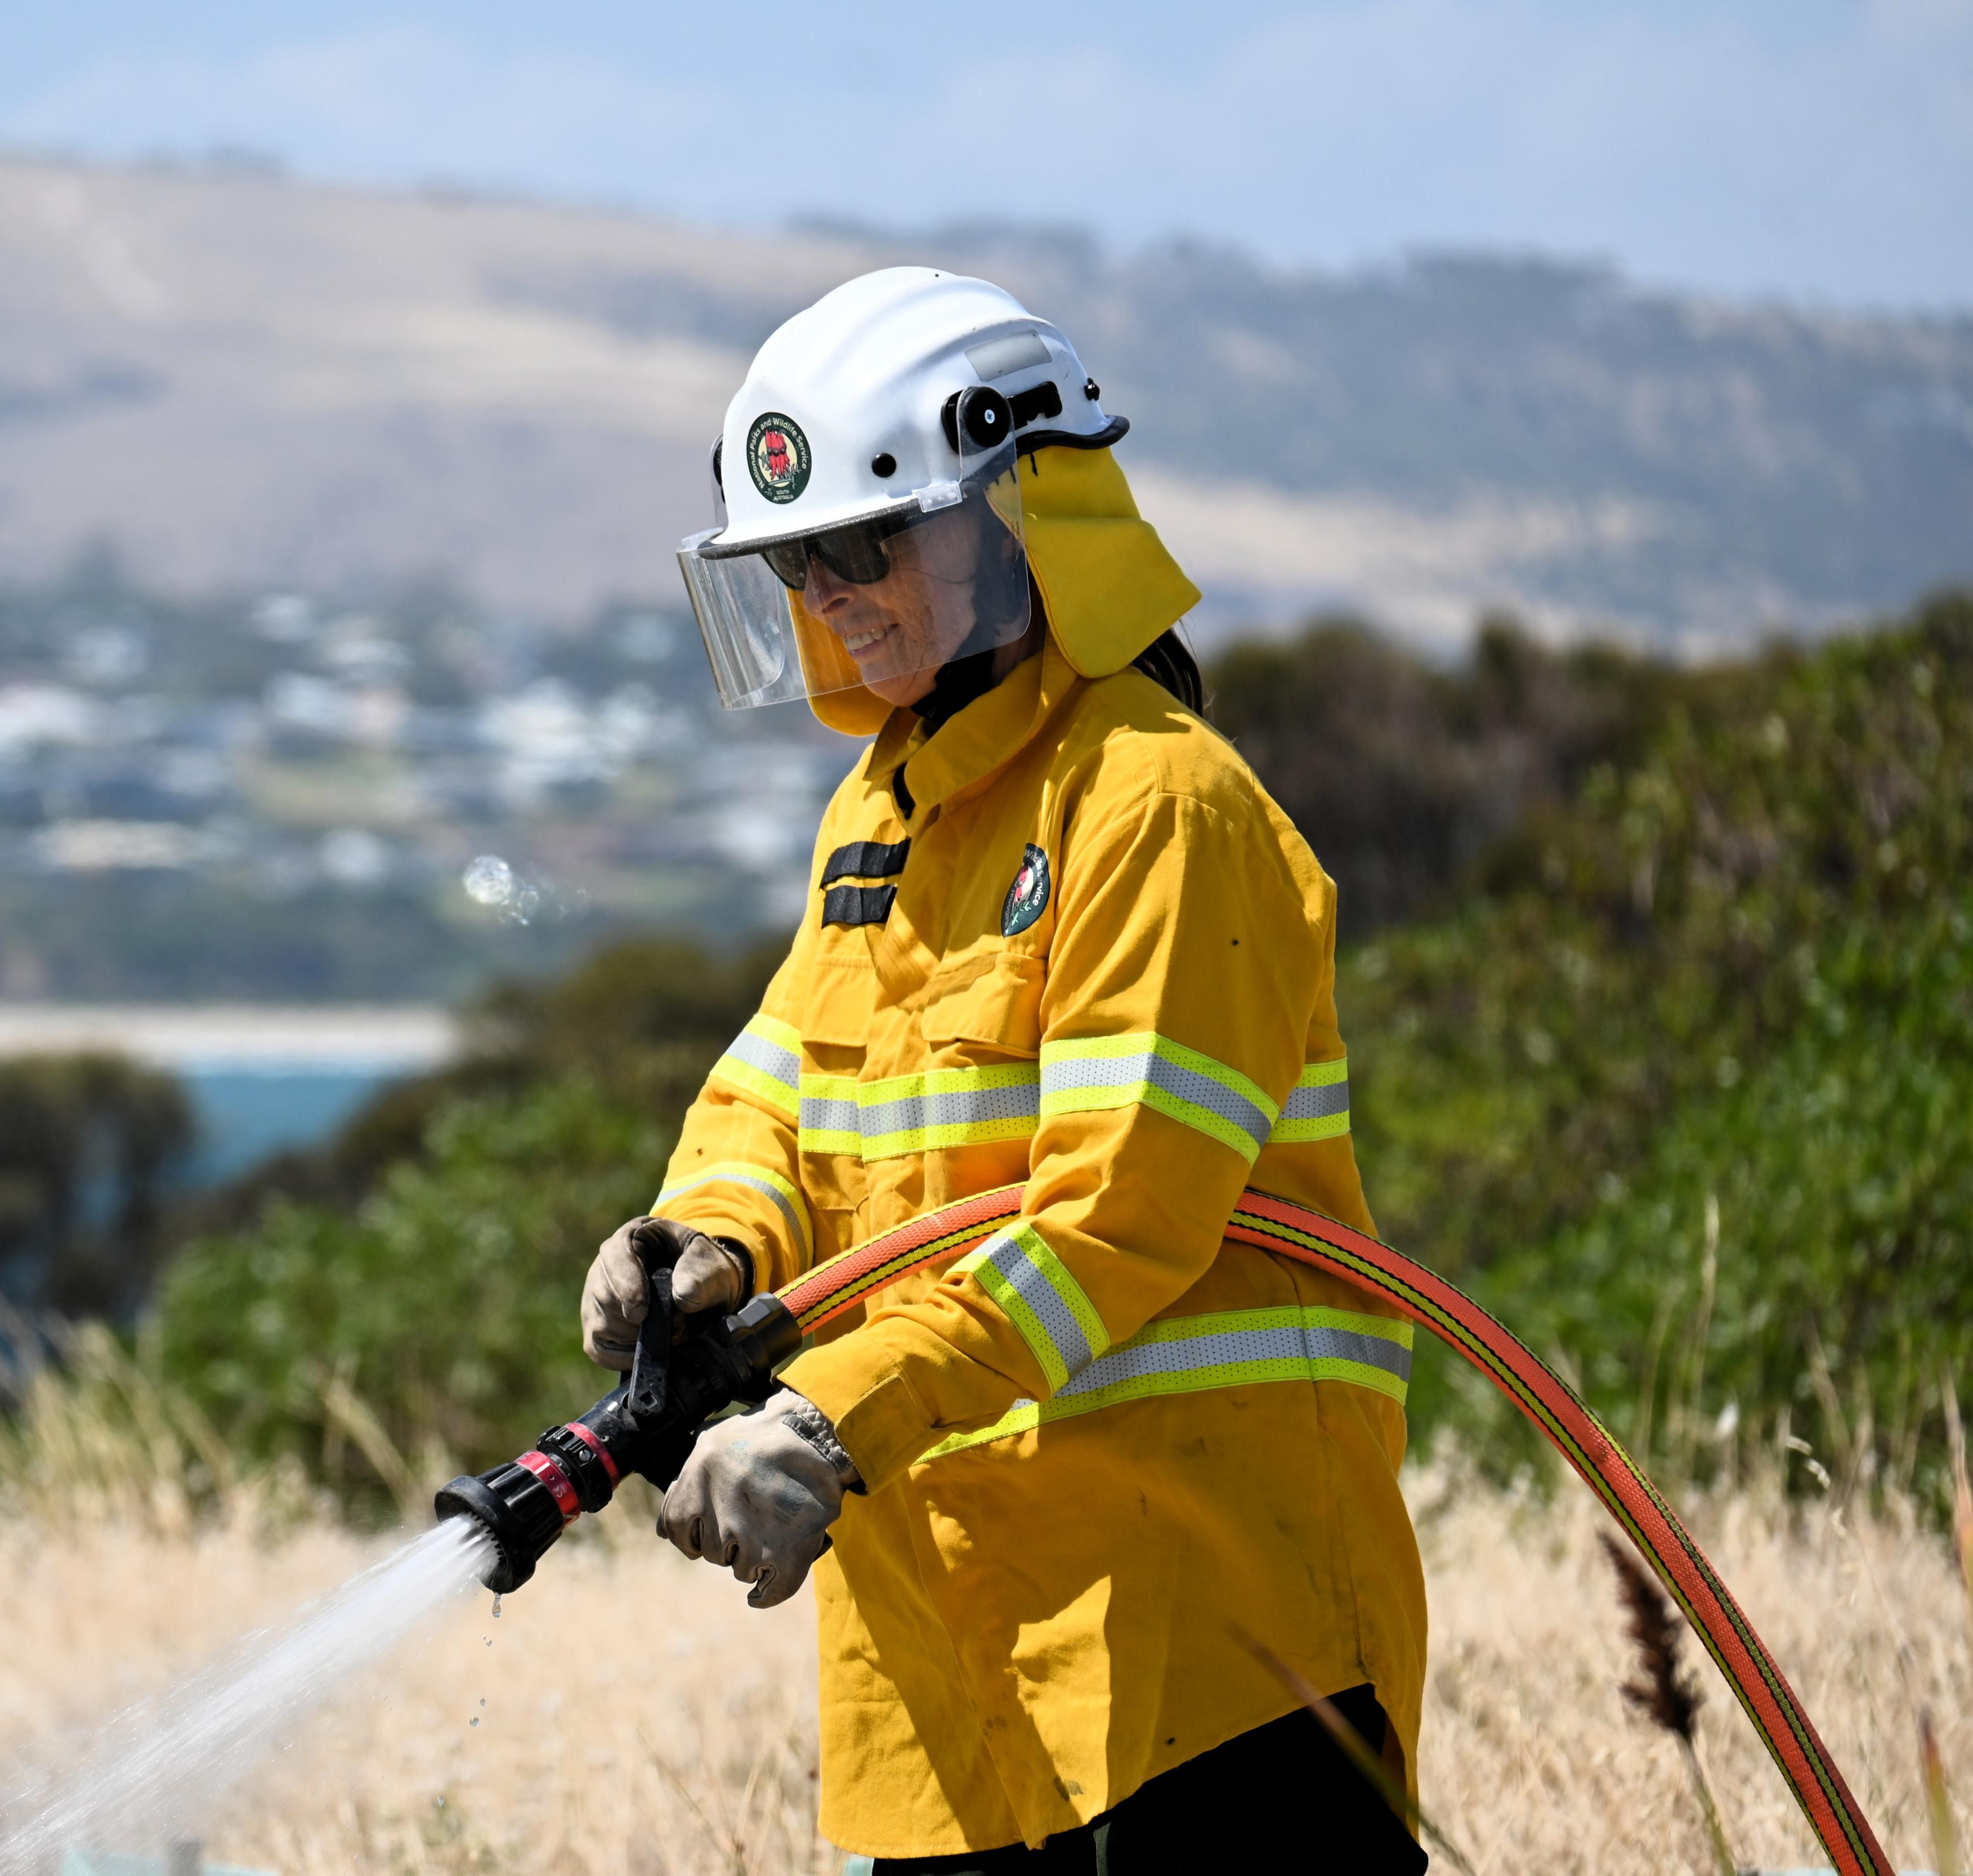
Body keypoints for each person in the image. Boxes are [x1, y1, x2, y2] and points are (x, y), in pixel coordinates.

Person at [582, 268, 1429, 1873]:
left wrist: (827, 1418)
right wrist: (710, 1235)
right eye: (793, 562)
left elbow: (1116, 1219)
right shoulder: (882, 816)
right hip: (953, 1661)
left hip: (1202, 1663)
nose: (827, 595)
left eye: (861, 545)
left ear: (1022, 511)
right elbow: (790, 1087)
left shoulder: (1155, 805)